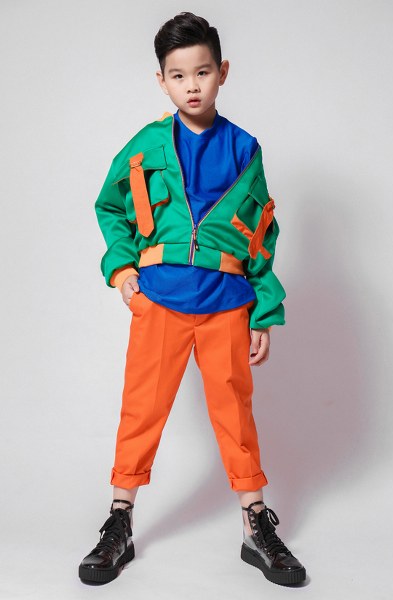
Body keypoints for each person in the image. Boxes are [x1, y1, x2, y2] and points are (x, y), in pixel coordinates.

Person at [79, 11, 306, 587]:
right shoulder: (147, 144)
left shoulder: (244, 148)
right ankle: (119, 521)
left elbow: (262, 233)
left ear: (222, 72)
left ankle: (255, 525)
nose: (192, 86)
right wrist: (122, 270)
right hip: (159, 298)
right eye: (178, 76)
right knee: (142, 408)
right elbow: (110, 206)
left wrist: (264, 311)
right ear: (161, 81)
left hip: (227, 302)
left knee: (235, 413)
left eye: (202, 72)